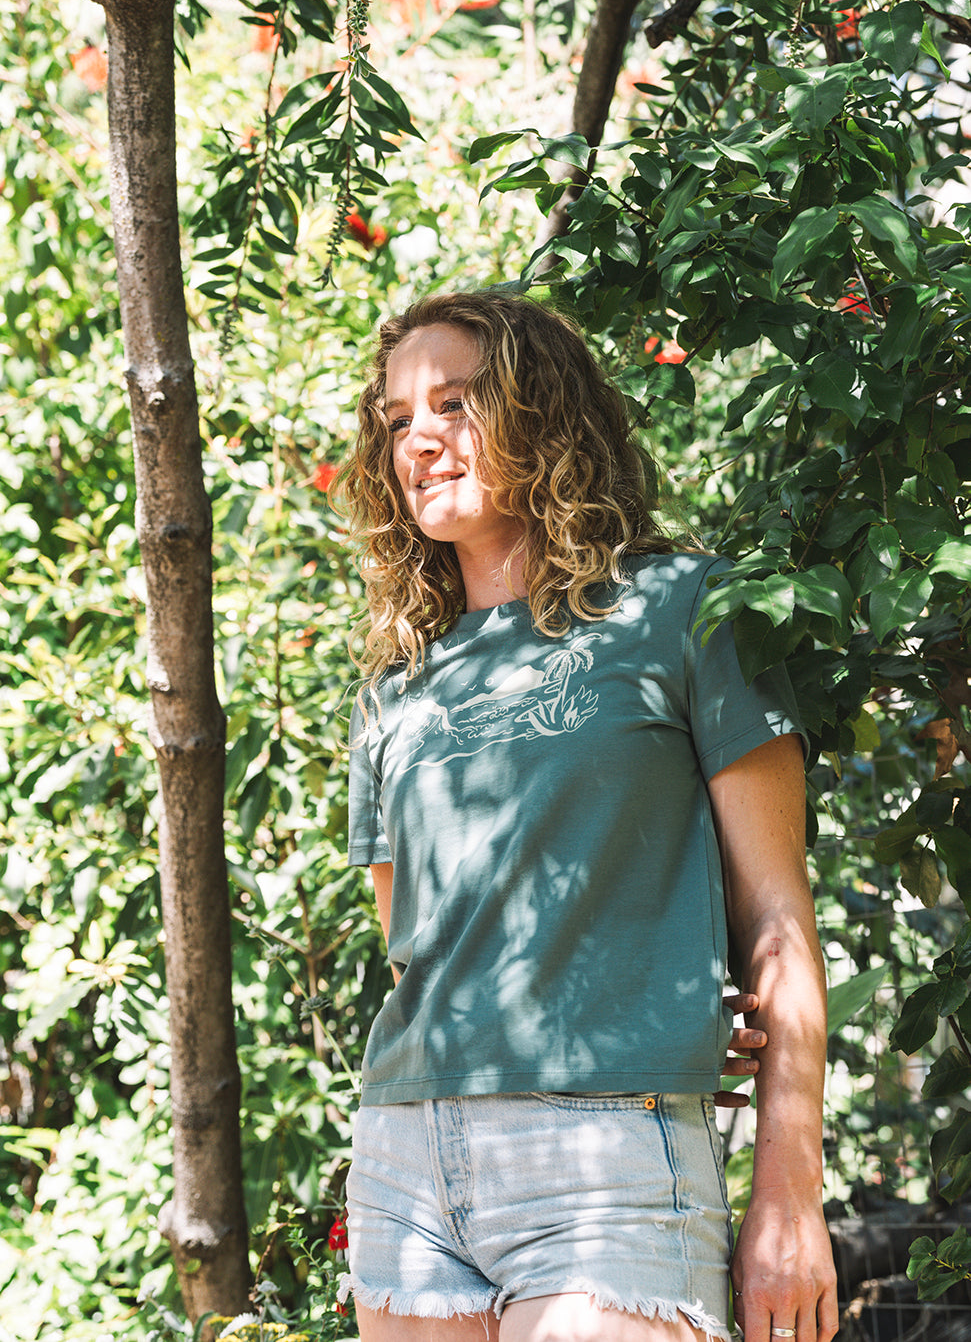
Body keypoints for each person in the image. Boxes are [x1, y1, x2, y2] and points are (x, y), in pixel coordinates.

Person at [337, 292, 838, 1342]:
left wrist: (787, 1195)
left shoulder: (685, 611)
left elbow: (778, 917)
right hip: (405, 1160)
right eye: (396, 419)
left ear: (540, 414)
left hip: (609, 1152)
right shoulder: (395, 685)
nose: (419, 437)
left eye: (456, 403)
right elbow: (412, 944)